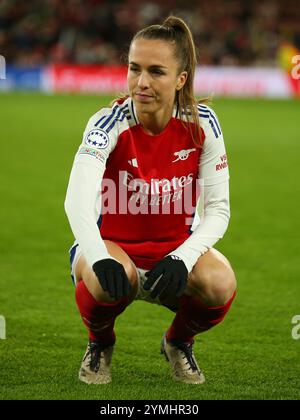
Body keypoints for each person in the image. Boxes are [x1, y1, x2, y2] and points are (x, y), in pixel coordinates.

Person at [64, 15, 236, 386]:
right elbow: (76, 202)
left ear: (180, 79)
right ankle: (100, 343)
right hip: (113, 250)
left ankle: (177, 342)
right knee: (105, 274)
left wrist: (183, 257)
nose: (141, 82)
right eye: (134, 68)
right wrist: (96, 254)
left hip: (173, 258)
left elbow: (219, 209)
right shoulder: (107, 123)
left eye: (156, 71)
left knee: (221, 282)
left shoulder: (202, 124)